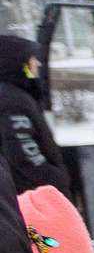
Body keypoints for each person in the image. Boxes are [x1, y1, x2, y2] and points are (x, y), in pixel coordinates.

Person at [0, 35, 67, 194]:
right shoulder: (11, 99)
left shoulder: (16, 94)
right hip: (35, 196)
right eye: (32, 58)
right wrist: (56, 179)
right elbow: (22, 153)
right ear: (18, 62)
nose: (37, 62)